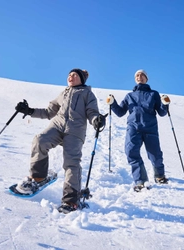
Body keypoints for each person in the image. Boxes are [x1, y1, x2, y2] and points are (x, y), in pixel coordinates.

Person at [14, 68, 106, 213]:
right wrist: (29, 111)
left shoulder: (87, 94)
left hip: (75, 131)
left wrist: (96, 120)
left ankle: (70, 201)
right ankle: (38, 177)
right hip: (57, 126)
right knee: (40, 140)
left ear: (81, 79)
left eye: (75, 75)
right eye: (69, 75)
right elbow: (49, 112)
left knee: (71, 162)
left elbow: (92, 112)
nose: (71, 76)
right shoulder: (63, 93)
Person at [106, 69, 170, 191]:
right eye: (137, 75)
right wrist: (113, 103)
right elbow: (120, 112)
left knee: (155, 154)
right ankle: (140, 180)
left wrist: (164, 104)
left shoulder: (153, 94)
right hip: (133, 128)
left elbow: (162, 113)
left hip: (150, 128)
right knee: (131, 152)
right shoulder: (129, 96)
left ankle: (160, 175)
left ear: (146, 78)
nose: (139, 76)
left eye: (142, 75)